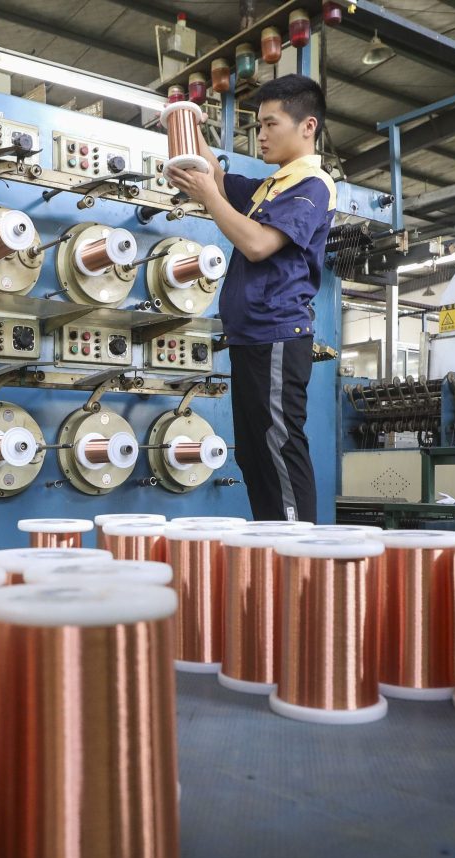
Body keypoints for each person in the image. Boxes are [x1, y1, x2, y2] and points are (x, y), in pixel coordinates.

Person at [166, 75, 335, 523]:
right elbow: (218, 179)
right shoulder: (272, 187)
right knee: (255, 455)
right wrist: (188, 126)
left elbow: (258, 244)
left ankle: (297, 558)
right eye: (257, 125)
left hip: (277, 335)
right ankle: (271, 550)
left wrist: (207, 198)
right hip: (250, 337)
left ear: (307, 126)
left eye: (269, 124)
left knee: (278, 448)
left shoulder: (312, 185)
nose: (259, 135)